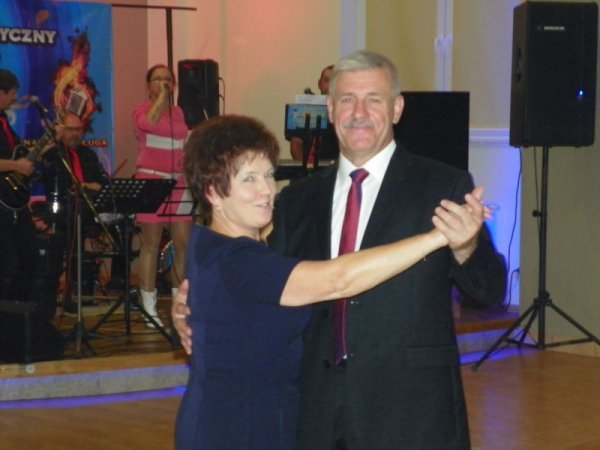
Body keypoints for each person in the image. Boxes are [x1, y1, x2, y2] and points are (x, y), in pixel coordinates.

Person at [174, 50, 507, 449]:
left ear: (397, 109)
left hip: (411, 412)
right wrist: (194, 309)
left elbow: (489, 291)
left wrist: (466, 244)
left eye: (374, 99)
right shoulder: (298, 199)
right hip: (317, 411)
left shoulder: (442, 187)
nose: (359, 112)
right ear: (330, 110)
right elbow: (264, 282)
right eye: (347, 99)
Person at [132, 64, 192, 327]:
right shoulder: (141, 109)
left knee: (183, 243)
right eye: (157, 79)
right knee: (151, 244)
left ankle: (179, 304)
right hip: (151, 180)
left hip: (179, 182)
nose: (164, 83)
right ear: (149, 85)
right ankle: (149, 307)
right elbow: (149, 123)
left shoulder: (178, 113)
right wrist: (159, 99)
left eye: (168, 79)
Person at [41, 112, 110, 311]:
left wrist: (87, 186)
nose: (75, 134)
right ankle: (54, 298)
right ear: (61, 131)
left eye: (79, 129)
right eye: (71, 129)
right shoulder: (54, 153)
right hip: (60, 212)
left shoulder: (88, 154)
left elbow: (102, 182)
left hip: (85, 211)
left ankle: (89, 290)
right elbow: (44, 173)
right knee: (58, 254)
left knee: (118, 229)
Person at [0, 69, 38, 302]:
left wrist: (48, 143)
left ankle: (17, 310)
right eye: (12, 92)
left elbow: (18, 153)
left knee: (29, 255)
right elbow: (13, 161)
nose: (15, 97)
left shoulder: (4, 120)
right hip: (3, 202)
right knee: (7, 260)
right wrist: (16, 165)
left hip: (11, 199)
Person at [290, 64, 339, 164]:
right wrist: (306, 168)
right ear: (319, 84)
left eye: (334, 81)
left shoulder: (348, 112)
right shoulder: (305, 109)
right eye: (326, 80)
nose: (330, 85)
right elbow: (296, 144)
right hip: (309, 169)